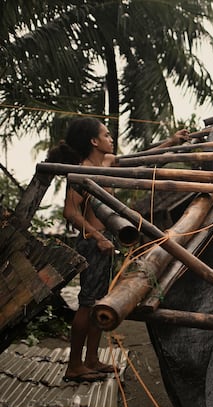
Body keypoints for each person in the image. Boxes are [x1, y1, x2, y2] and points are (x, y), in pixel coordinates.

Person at [49, 117, 188, 382]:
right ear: (93, 141)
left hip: (105, 243)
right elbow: (70, 211)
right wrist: (97, 237)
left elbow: (143, 158)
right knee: (86, 304)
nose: (110, 138)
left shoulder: (107, 163)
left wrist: (172, 141)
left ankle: (91, 359)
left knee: (97, 302)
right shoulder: (83, 170)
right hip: (93, 244)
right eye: (106, 135)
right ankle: (74, 365)